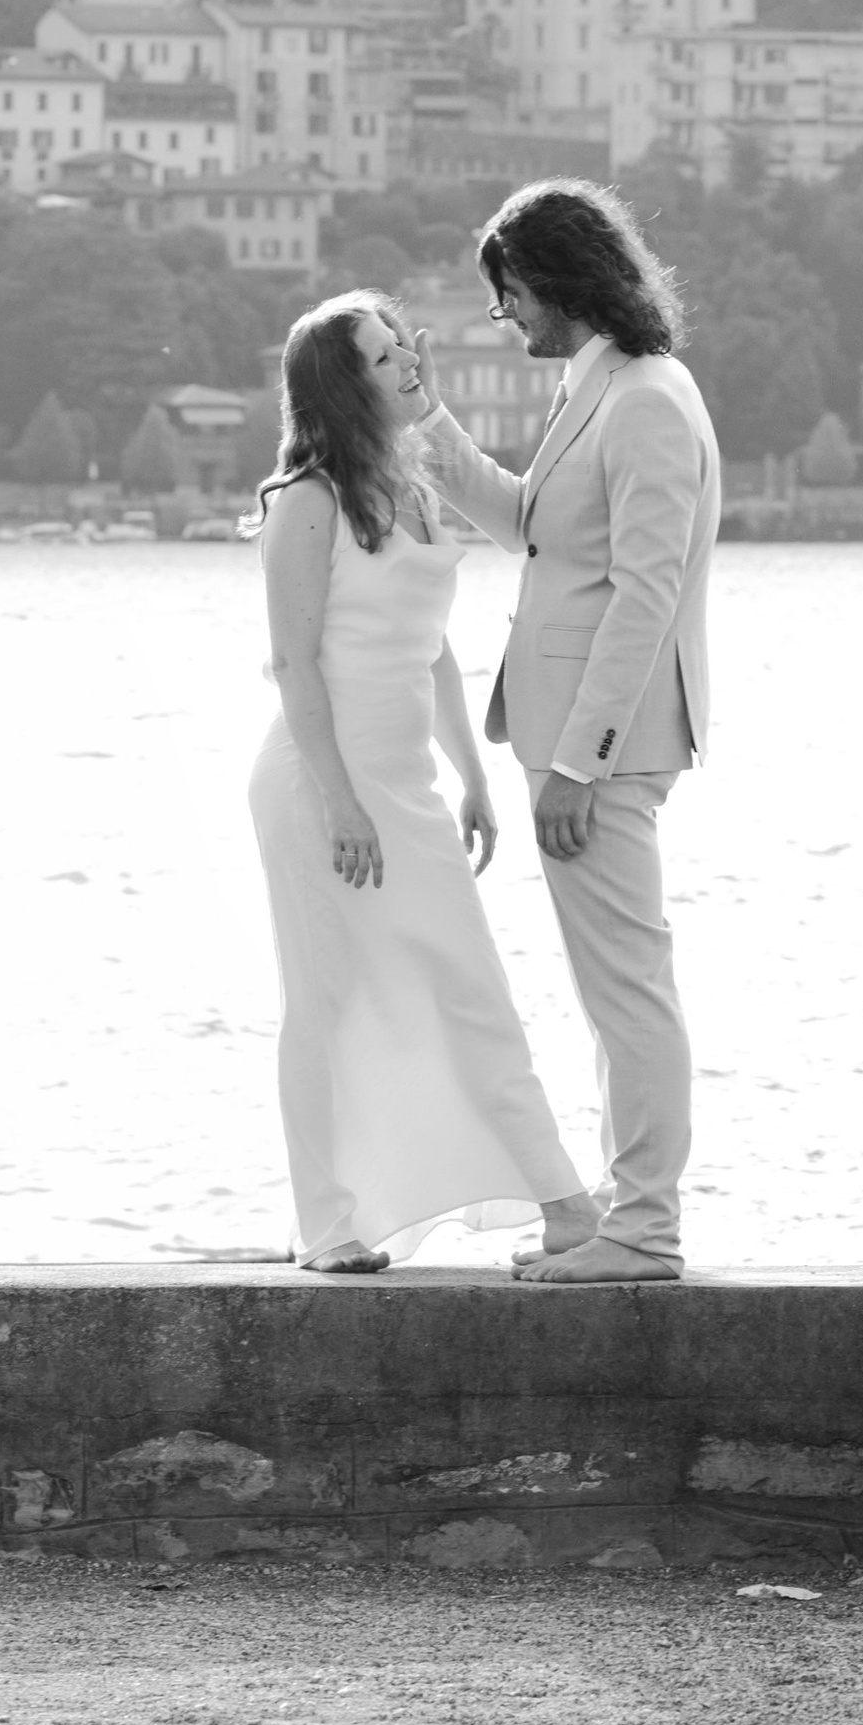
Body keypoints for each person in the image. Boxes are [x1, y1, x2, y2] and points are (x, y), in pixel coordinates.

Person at [245, 290, 595, 1274]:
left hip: (406, 781)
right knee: (325, 1001)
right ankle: (328, 1226)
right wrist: (341, 799)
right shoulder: (304, 502)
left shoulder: (412, 484)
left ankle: (562, 1201)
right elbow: (294, 662)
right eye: (383, 351)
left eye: (404, 340)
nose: (407, 357)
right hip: (316, 781)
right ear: (341, 385)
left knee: (468, 985)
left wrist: (471, 775)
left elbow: (432, 649)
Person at [416, 179, 717, 1286]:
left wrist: (577, 764)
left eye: (509, 300)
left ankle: (642, 1229)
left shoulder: (641, 398)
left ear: (550, 280)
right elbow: (535, 532)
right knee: (614, 988)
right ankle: (627, 1214)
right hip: (590, 740)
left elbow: (643, 594)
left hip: (609, 749)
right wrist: (429, 430)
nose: (511, 322)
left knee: (627, 989)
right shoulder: (609, 384)